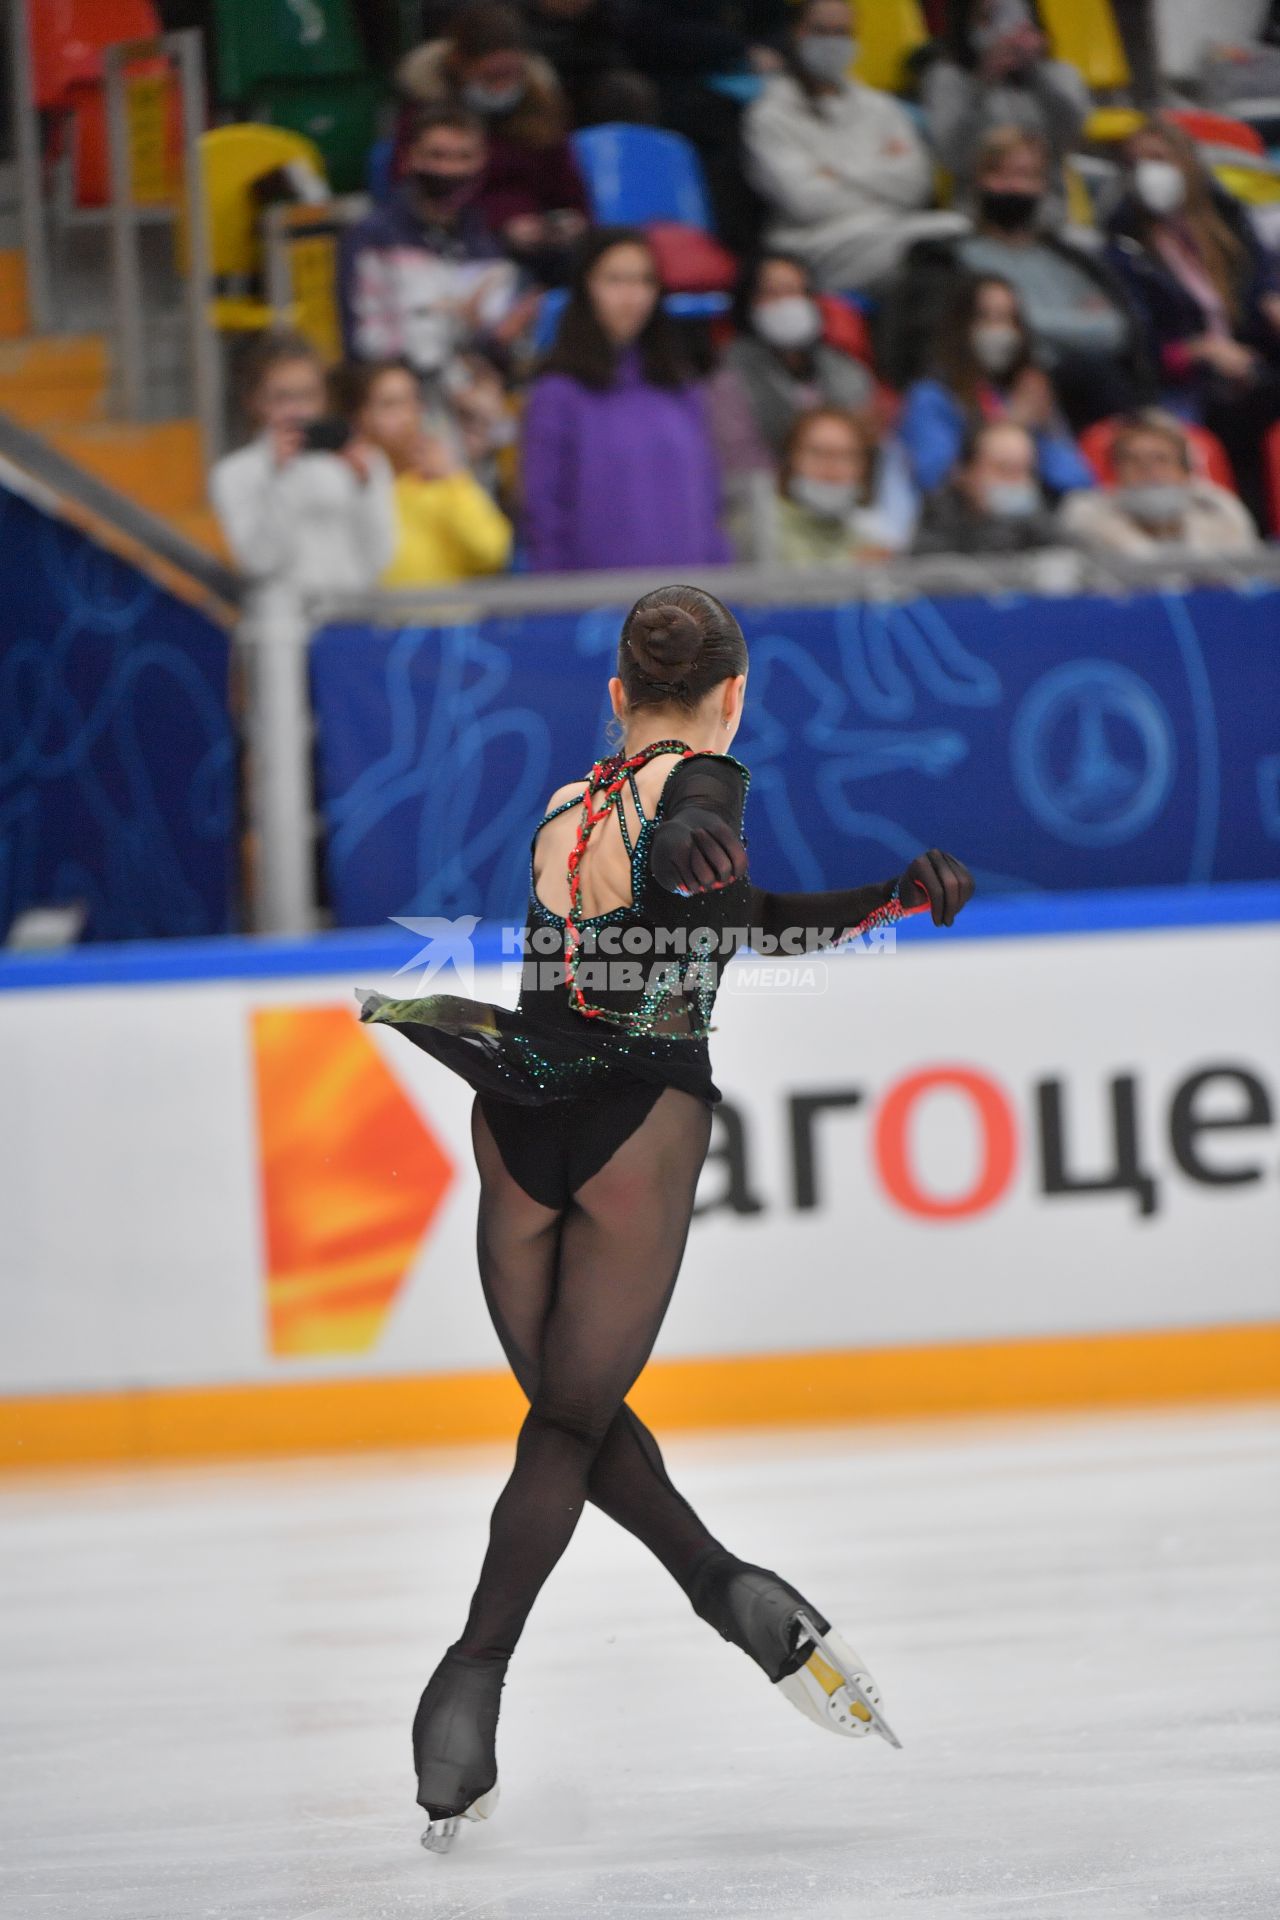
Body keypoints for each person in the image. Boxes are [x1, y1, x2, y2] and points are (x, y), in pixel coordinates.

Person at [354, 582, 975, 1849]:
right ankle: (492, 1663)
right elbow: (699, 823)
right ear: (733, 695)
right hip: (634, 1124)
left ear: (613, 695)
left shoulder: (565, 802)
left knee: (566, 1423)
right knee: (570, 1422)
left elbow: (730, 920)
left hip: (517, 1102)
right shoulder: (709, 778)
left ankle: (706, 1585)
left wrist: (884, 898)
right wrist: (703, 830)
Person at [879, 128, 1151, 425]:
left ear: (1043, 185)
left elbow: (1114, 330)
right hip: (993, 392)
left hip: (1085, 389)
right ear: (978, 180)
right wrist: (1072, 321)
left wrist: (1020, 318)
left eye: (1026, 176)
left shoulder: (1070, 260)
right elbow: (951, 337)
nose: (1013, 186)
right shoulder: (944, 260)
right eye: (1001, 174)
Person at [1104, 116, 1280, 531]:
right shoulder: (1123, 250)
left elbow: (1263, 286)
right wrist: (1199, 351)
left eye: (1159, 158)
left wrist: (1271, 301)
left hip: (1252, 369)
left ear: (1186, 164)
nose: (1150, 171)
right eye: (1138, 162)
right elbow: (1139, 344)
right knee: (1236, 416)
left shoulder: (1230, 228)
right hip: (1185, 384)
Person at [521, 228, 731, 571]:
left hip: (688, 603)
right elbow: (545, 514)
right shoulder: (558, 393)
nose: (632, 296)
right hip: (597, 610)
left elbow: (709, 504)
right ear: (586, 288)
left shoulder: (682, 388)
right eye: (615, 279)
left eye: (644, 280)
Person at [742, 0, 968, 293]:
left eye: (842, 33)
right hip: (814, 245)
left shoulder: (881, 108)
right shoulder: (769, 114)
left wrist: (834, 171)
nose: (832, 43)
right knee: (928, 253)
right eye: (821, 31)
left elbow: (916, 184)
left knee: (959, 229)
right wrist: (881, 178)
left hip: (889, 230)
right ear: (797, 33)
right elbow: (805, 202)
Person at [396, 1, 589, 283]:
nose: (501, 87)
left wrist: (566, 223)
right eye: (490, 76)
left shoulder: (543, 109)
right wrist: (499, 227)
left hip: (542, 249)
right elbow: (415, 200)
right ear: (459, 64)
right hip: (458, 248)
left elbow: (571, 193)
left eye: (510, 75)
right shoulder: (426, 117)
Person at [337, 105, 525, 384]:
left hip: (475, 393)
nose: (449, 169)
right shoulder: (373, 238)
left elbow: (498, 348)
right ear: (410, 158)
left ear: (483, 160)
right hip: (399, 397)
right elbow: (361, 345)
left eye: (464, 157)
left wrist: (492, 337)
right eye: (437, 155)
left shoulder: (487, 242)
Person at [210, 331, 395, 611]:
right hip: (282, 633)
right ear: (253, 401)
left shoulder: (364, 462)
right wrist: (279, 478)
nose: (297, 411)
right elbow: (259, 562)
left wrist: (364, 488)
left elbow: (381, 557)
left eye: (308, 395)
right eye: (281, 397)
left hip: (353, 622)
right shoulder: (233, 473)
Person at [899, 273, 1094, 496]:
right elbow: (935, 478)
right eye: (986, 317)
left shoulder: (1022, 392)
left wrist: (1044, 427)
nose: (998, 330)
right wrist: (1010, 424)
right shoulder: (931, 396)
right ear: (960, 324)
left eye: (1007, 318)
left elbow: (1077, 481)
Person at [332, 358, 514, 587]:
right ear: (358, 417)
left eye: (413, 400)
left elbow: (493, 551)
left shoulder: (443, 481)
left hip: (443, 621)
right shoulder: (344, 481)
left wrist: (455, 479)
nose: (408, 415)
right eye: (390, 404)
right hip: (367, 619)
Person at [706, 251, 874, 480]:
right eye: (772, 293)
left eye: (796, 291)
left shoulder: (847, 371)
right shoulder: (727, 375)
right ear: (749, 302)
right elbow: (739, 464)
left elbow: (864, 450)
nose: (786, 303)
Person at [919, 0, 1089, 219]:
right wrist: (983, 81)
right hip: (978, 216)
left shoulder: (1058, 74)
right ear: (967, 22)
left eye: (1012, 17)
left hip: (1050, 214)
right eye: (989, 17)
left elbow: (1072, 138)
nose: (1003, 29)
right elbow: (954, 157)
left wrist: (1036, 72)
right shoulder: (946, 78)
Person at [1057, 409, 1261, 557]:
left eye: (1160, 459)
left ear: (1186, 472)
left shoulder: (1220, 512)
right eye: (1132, 460)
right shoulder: (1086, 516)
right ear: (1116, 473)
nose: (1147, 469)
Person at [747, 406, 915, 564]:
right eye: (817, 452)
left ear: (864, 467)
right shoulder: (754, 528)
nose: (831, 468)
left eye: (845, 456)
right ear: (791, 459)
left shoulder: (876, 539)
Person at [912, 417, 1059, 553]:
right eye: (1006, 470)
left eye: (1027, 470)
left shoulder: (1037, 519)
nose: (1018, 481)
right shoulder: (939, 515)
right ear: (965, 472)